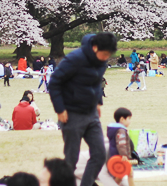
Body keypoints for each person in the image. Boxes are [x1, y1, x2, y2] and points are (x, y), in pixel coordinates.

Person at [48, 32, 117, 186]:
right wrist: (60, 109)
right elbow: (54, 83)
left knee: (99, 155)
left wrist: (98, 102)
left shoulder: (101, 62)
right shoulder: (74, 59)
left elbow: (97, 82)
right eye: (105, 54)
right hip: (71, 114)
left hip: (91, 113)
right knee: (71, 159)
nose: (106, 57)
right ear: (94, 48)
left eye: (109, 55)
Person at [107, 108, 134, 186]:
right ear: (122, 119)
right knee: (127, 174)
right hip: (120, 156)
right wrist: (124, 154)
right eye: (129, 118)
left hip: (116, 155)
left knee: (122, 175)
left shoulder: (113, 129)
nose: (130, 121)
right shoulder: (120, 130)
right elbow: (121, 143)